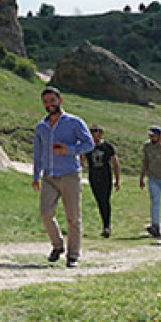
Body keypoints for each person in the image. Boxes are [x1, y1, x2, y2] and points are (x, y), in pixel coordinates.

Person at [32, 86, 94, 268]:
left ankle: (73, 255)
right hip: (49, 176)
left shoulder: (74, 122)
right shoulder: (41, 126)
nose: (49, 105)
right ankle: (57, 245)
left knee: (73, 217)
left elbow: (89, 144)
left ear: (60, 100)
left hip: (70, 175)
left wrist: (70, 150)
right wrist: (36, 175)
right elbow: (37, 152)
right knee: (45, 213)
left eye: (52, 100)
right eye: (45, 102)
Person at [83, 124, 120, 238]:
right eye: (93, 132)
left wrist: (117, 179)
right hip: (93, 176)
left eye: (97, 132)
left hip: (105, 176)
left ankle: (106, 226)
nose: (95, 135)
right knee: (99, 201)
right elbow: (80, 160)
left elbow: (115, 163)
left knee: (105, 200)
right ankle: (105, 225)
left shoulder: (108, 147)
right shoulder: (88, 147)